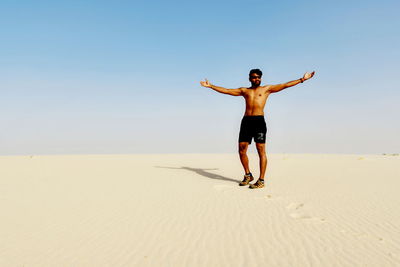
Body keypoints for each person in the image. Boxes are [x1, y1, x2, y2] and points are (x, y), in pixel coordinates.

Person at [200, 69, 315, 189]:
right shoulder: (244, 91)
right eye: (254, 77)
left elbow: (285, 85)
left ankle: (261, 180)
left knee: (261, 151)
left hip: (259, 122)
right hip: (246, 122)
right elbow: (228, 91)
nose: (257, 79)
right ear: (250, 78)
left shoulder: (266, 89)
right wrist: (211, 86)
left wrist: (302, 79)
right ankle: (248, 175)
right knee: (241, 149)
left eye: (259, 77)